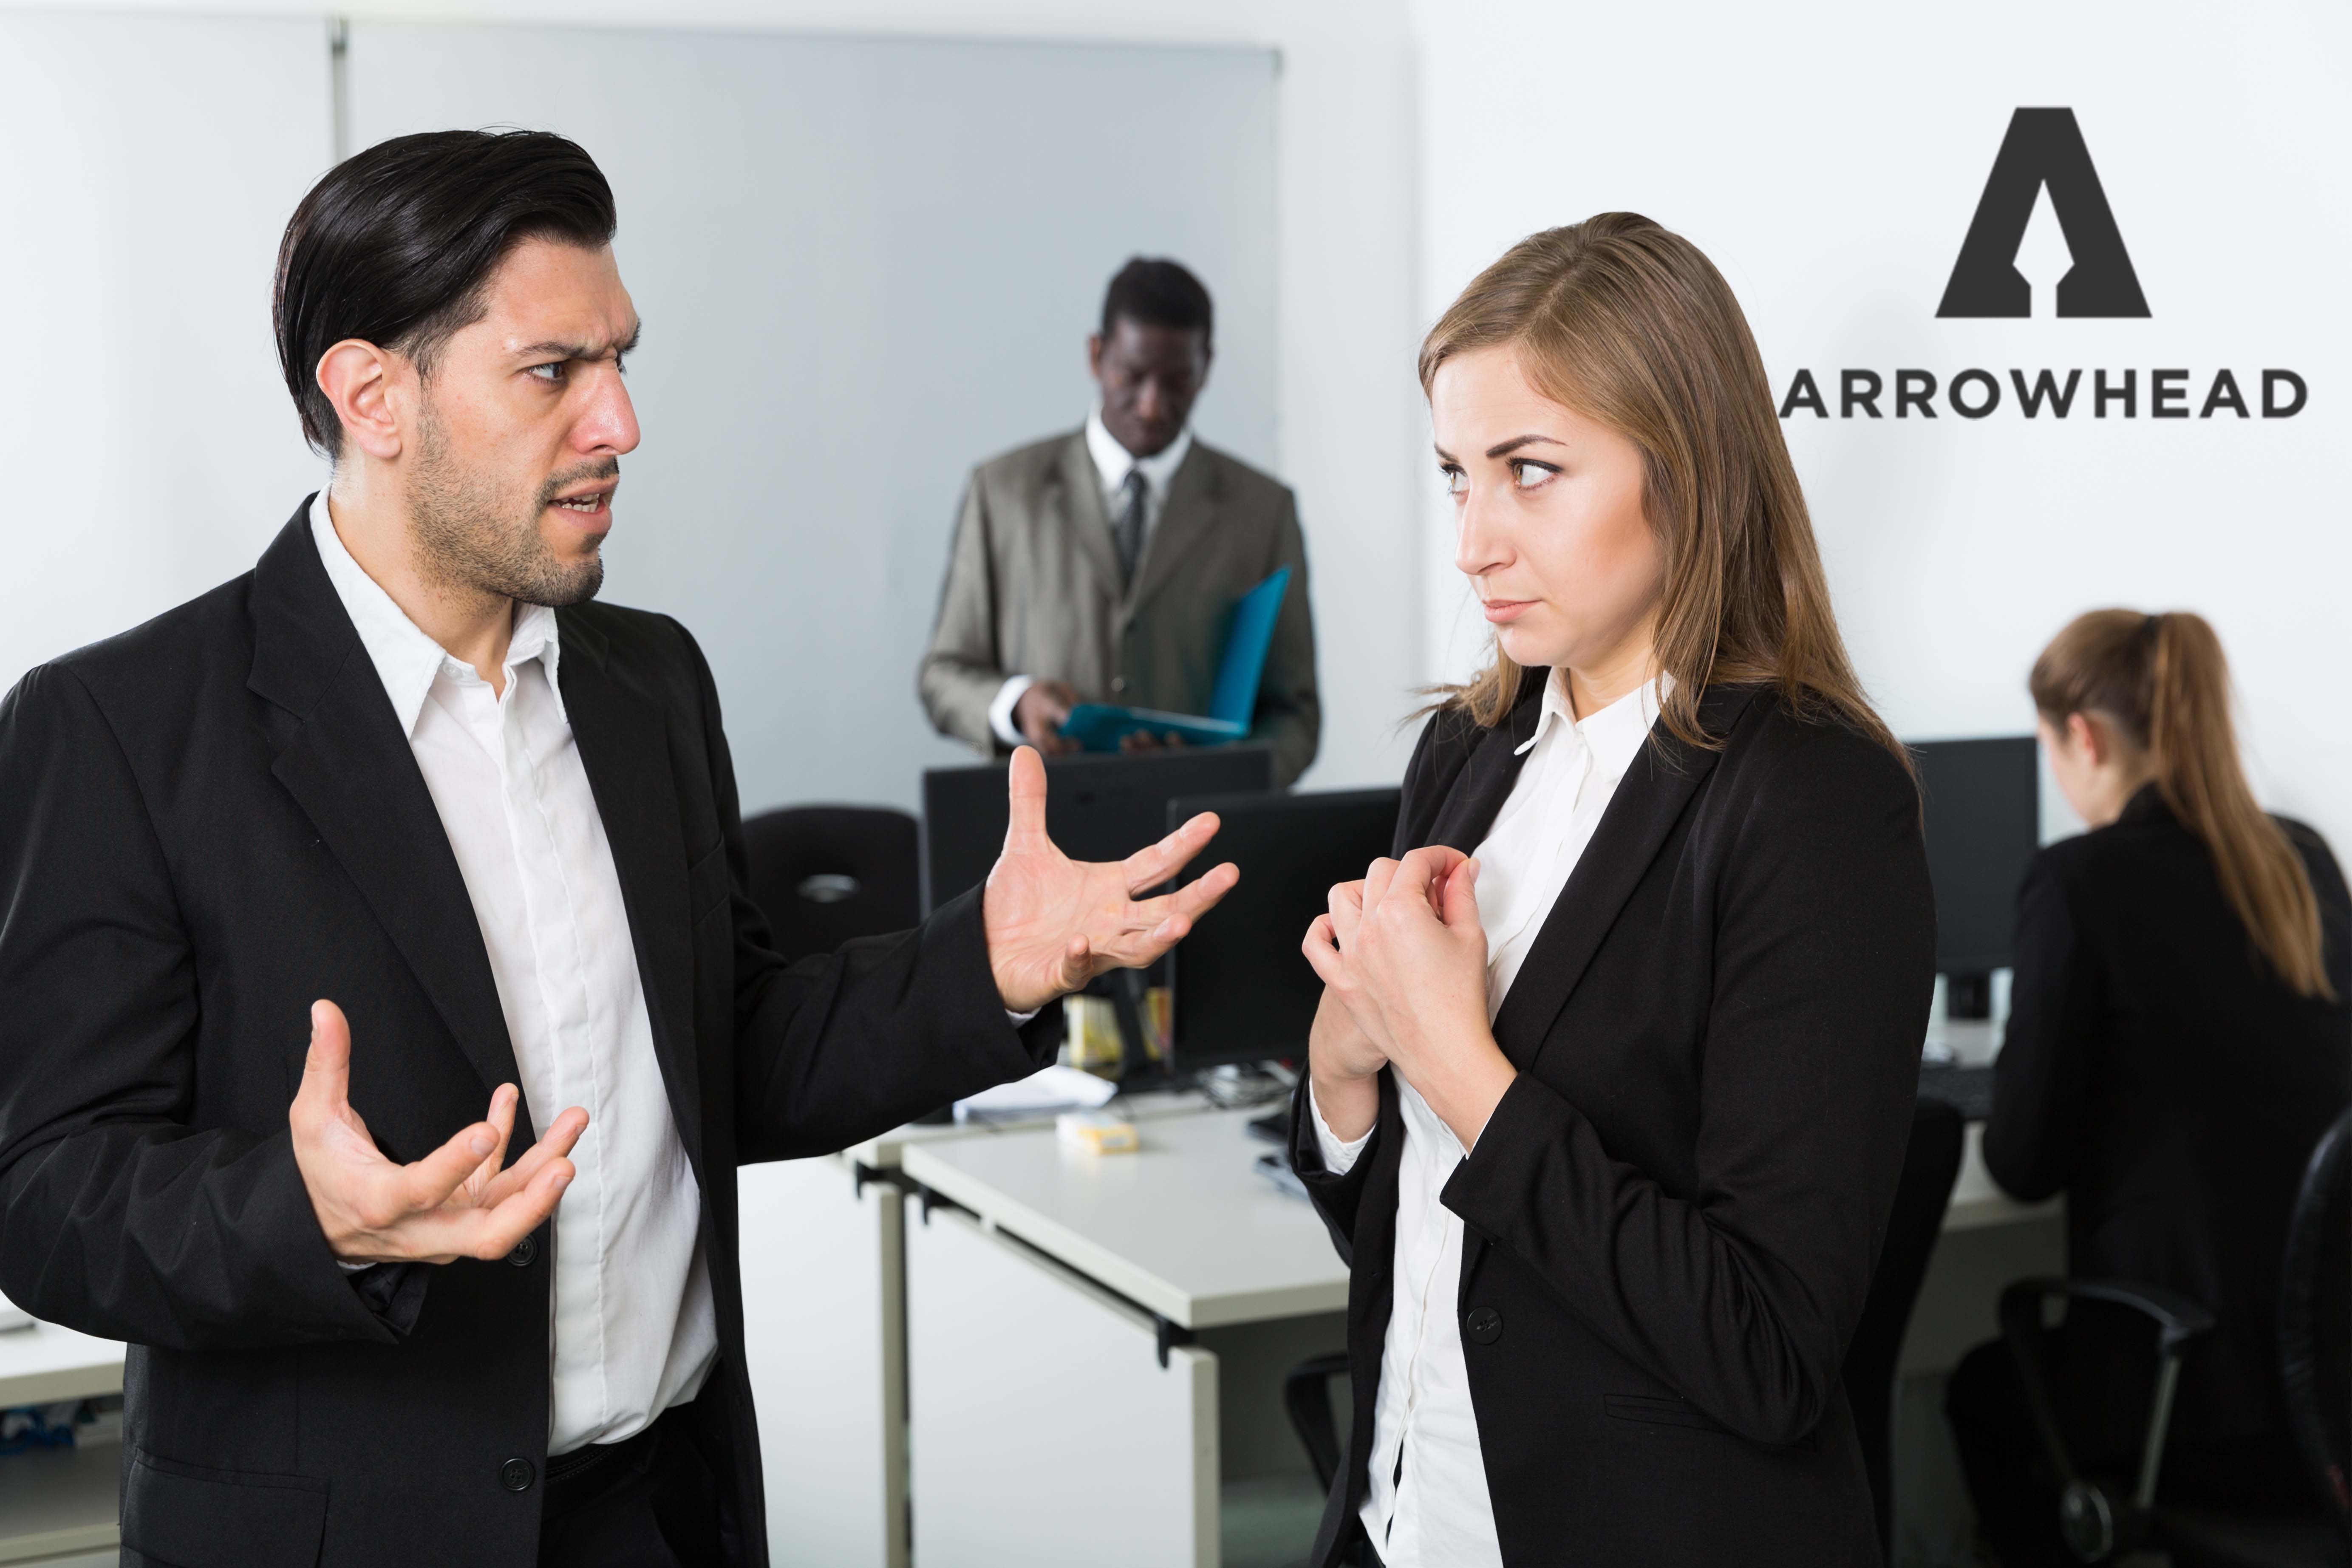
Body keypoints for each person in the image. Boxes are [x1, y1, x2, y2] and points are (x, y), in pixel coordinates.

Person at [0, 130, 1235, 1568]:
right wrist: (307, 1215)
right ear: (371, 394)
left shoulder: (648, 682)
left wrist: (990, 967)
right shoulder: (121, 728)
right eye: (553, 373)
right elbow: (41, 1189)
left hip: (664, 1515)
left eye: (621, 362)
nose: (621, 425)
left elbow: (732, 1051)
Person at [1288, 213, 1934, 1567]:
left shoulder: (1813, 798)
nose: (1475, 541)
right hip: (1408, 1515)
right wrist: (1344, 1076)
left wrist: (1457, 1065)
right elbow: (1419, 1240)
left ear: (1686, 473)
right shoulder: (1464, 752)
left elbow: (1768, 1351)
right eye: (1456, 476)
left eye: (1532, 472)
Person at [1946, 610, 2352, 1564]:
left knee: (1980, 1396)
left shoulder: (2077, 883)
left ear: (2079, 736)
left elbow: (2020, 1164)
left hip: (2189, 1404)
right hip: (2329, 1399)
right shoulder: (2302, 861)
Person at [918, 257, 1320, 785]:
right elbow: (944, 675)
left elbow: (1295, 715)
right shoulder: (1003, 491)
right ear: (1096, 354)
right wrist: (1017, 704)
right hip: (1042, 838)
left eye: (1178, 380)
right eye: (1132, 376)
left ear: (1207, 366)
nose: (1153, 405)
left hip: (1198, 840)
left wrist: (1220, 776)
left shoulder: (1263, 509)